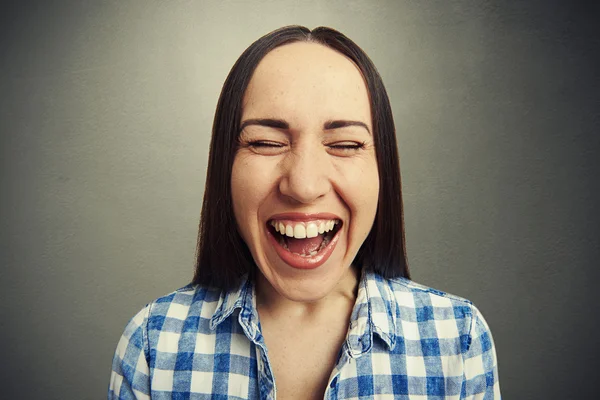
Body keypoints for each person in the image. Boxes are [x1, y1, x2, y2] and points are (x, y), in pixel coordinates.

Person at [108, 25, 500, 399]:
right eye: (265, 142)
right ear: (224, 167)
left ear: (384, 171)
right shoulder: (154, 344)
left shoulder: (457, 341)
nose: (304, 185)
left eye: (346, 145)